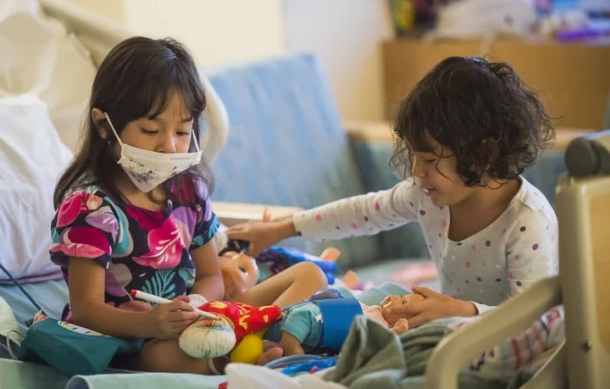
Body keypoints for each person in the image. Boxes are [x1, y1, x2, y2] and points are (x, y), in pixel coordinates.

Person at [49, 37, 325, 375]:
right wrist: (151, 324)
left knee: (310, 274)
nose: (169, 146)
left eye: (182, 131)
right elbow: (87, 309)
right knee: (171, 357)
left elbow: (210, 275)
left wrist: (197, 305)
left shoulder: (188, 191)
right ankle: (252, 350)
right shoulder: (91, 206)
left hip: (196, 317)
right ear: (105, 126)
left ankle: (256, 339)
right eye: (151, 130)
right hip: (135, 337)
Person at [227, 56, 559, 328]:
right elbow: (362, 212)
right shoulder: (427, 195)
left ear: (484, 154)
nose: (417, 171)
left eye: (429, 159)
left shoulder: (526, 221)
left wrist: (462, 311)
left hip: (504, 343)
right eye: (415, 156)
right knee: (368, 302)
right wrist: (279, 230)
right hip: (453, 328)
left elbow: (536, 323)